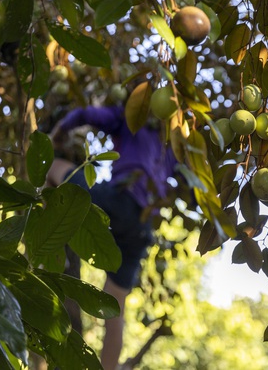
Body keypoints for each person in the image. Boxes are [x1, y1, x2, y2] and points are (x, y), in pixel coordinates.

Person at [47, 104, 177, 370]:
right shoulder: (171, 143)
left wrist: (59, 132)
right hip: (144, 226)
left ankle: (46, 219)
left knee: (53, 165)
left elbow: (87, 114)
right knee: (115, 304)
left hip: (120, 200)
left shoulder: (133, 117)